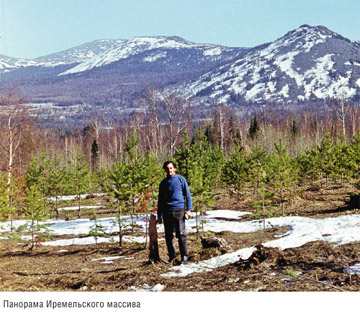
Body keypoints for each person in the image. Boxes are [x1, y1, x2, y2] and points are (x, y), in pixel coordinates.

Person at [157, 161, 192, 265]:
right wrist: (159, 215)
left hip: (179, 210)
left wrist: (188, 210)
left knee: (181, 234)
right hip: (167, 212)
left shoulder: (181, 180)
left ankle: (184, 257)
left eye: (171, 168)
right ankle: (172, 257)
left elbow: (188, 196)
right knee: (168, 236)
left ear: (175, 169)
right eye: (167, 168)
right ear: (165, 170)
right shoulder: (163, 183)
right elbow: (160, 201)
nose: (169, 170)